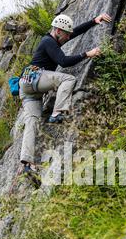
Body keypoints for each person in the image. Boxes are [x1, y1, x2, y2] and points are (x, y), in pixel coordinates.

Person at [19, 12, 112, 174]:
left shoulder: (54, 39)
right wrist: (87, 54)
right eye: (66, 35)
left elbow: (73, 32)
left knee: (32, 122)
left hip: (26, 87)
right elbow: (64, 61)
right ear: (58, 31)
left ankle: (27, 162)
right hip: (35, 77)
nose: (68, 38)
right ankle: (57, 113)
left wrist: (93, 21)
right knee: (68, 79)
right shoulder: (48, 41)